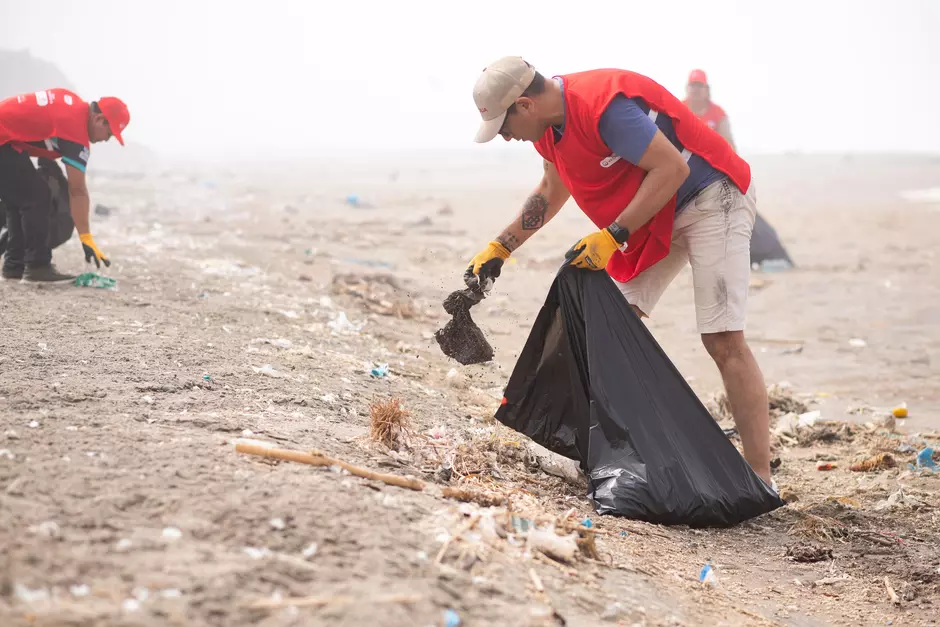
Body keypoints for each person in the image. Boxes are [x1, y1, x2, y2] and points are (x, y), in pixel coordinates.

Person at [465, 57, 772, 485]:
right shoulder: (547, 134)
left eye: (504, 126)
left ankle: (760, 475)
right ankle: (601, 455)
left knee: (722, 339)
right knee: (609, 328)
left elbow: (673, 168)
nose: (505, 137)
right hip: (658, 207)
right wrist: (502, 246)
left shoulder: (602, 107)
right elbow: (553, 189)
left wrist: (613, 234)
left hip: (711, 196)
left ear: (525, 105)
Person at [0, 88, 128, 282]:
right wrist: (85, 237)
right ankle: (37, 266)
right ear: (99, 119)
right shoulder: (75, 131)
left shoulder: (71, 103)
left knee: (20, 198)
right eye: (109, 134)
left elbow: (37, 123)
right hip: (4, 140)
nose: (105, 140)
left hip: (8, 141)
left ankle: (14, 266)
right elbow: (77, 191)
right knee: (38, 196)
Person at [683, 69, 736, 151]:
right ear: (687, 88)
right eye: (693, 85)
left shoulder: (718, 113)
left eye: (699, 86)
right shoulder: (679, 109)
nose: (696, 90)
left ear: (707, 89)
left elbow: (729, 143)